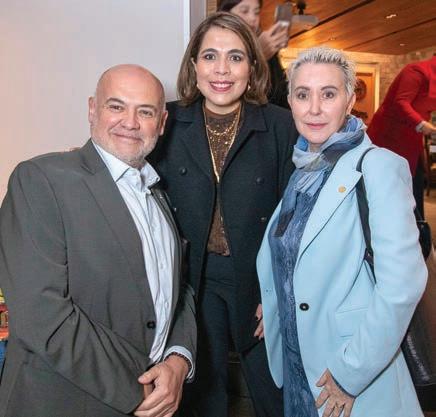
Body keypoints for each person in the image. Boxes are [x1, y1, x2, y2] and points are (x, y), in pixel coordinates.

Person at [0, 64, 196, 417]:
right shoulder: (41, 180)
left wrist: (178, 360)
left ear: (162, 123)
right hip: (63, 403)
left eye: (145, 111)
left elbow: (178, 291)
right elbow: (41, 314)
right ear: (93, 109)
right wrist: (140, 385)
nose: (130, 122)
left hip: (154, 400)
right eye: (116, 106)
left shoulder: (158, 193)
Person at [257, 46, 427, 417]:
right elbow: (298, 253)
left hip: (348, 369)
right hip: (299, 364)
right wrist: (277, 297)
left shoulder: (377, 167)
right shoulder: (304, 168)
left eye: (329, 94)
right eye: (303, 95)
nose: (314, 108)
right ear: (290, 102)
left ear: (349, 101)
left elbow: (402, 286)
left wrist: (351, 374)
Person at [150, 12, 298, 417]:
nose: (221, 69)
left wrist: (281, 290)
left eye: (235, 57)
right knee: (204, 393)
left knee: (274, 392)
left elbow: (297, 215)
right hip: (193, 281)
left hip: (259, 277)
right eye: (210, 56)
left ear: (253, 67)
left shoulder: (281, 125)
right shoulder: (167, 122)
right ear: (193, 65)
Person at [367, 55, 436, 217]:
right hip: (390, 137)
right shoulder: (416, 71)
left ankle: (416, 226)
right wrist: (422, 124)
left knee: (414, 184)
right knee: (388, 185)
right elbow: (401, 102)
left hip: (411, 138)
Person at [218, 0, 290, 108]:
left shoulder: (267, 48)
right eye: (244, 11)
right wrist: (258, 56)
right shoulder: (215, 49)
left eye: (256, 12)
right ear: (226, 15)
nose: (253, 18)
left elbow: (281, 95)